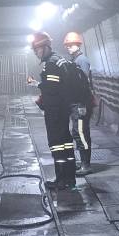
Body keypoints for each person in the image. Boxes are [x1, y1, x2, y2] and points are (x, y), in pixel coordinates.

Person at [30, 31, 77, 191]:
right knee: (66, 144)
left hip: (55, 112)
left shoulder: (51, 64)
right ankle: (69, 179)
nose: (36, 53)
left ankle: (61, 179)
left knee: (57, 145)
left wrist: (39, 89)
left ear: (45, 47)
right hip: (63, 110)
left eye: (37, 49)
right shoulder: (60, 60)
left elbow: (51, 88)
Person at [63, 31, 95, 175]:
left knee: (81, 133)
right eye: (67, 45)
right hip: (76, 103)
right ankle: (83, 162)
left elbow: (83, 83)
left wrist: (82, 104)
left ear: (78, 45)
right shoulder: (74, 61)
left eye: (71, 44)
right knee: (77, 132)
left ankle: (86, 165)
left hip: (81, 103)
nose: (68, 47)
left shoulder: (82, 60)